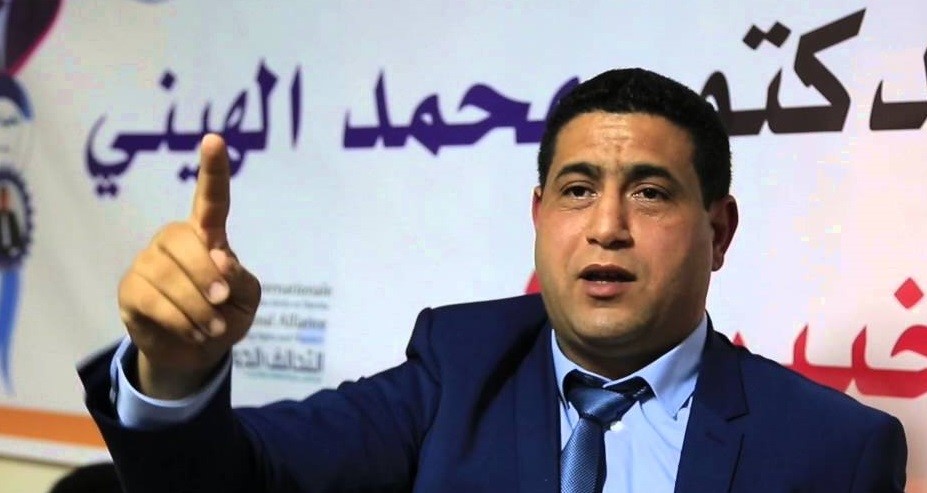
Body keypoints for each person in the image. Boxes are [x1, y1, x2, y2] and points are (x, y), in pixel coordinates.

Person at [78, 68, 908, 492]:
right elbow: (231, 480)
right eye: (577, 190)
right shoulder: (457, 366)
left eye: (650, 192)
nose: (607, 225)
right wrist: (175, 375)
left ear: (717, 231)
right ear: (539, 215)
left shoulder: (832, 449)